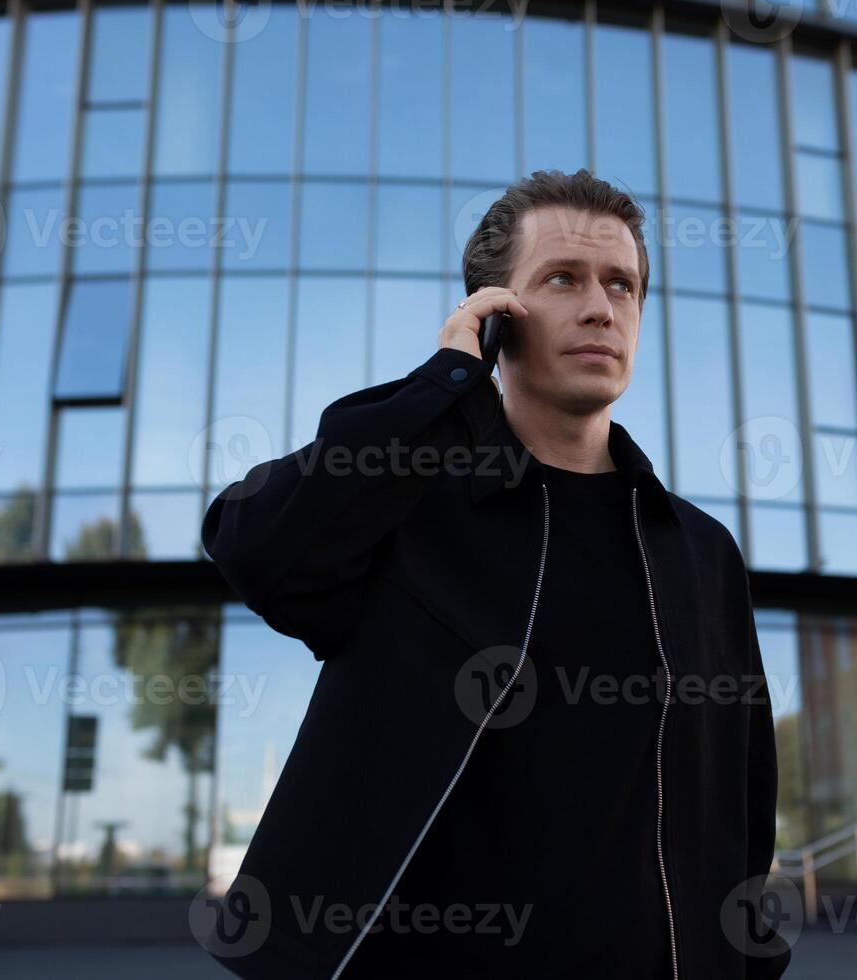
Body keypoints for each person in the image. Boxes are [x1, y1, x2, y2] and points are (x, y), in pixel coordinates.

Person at [199, 168, 793, 979]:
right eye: (562, 279)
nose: (600, 307)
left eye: (622, 285)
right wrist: (444, 384)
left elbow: (740, 799)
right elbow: (256, 547)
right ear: (493, 316)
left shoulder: (699, 550)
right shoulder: (407, 507)